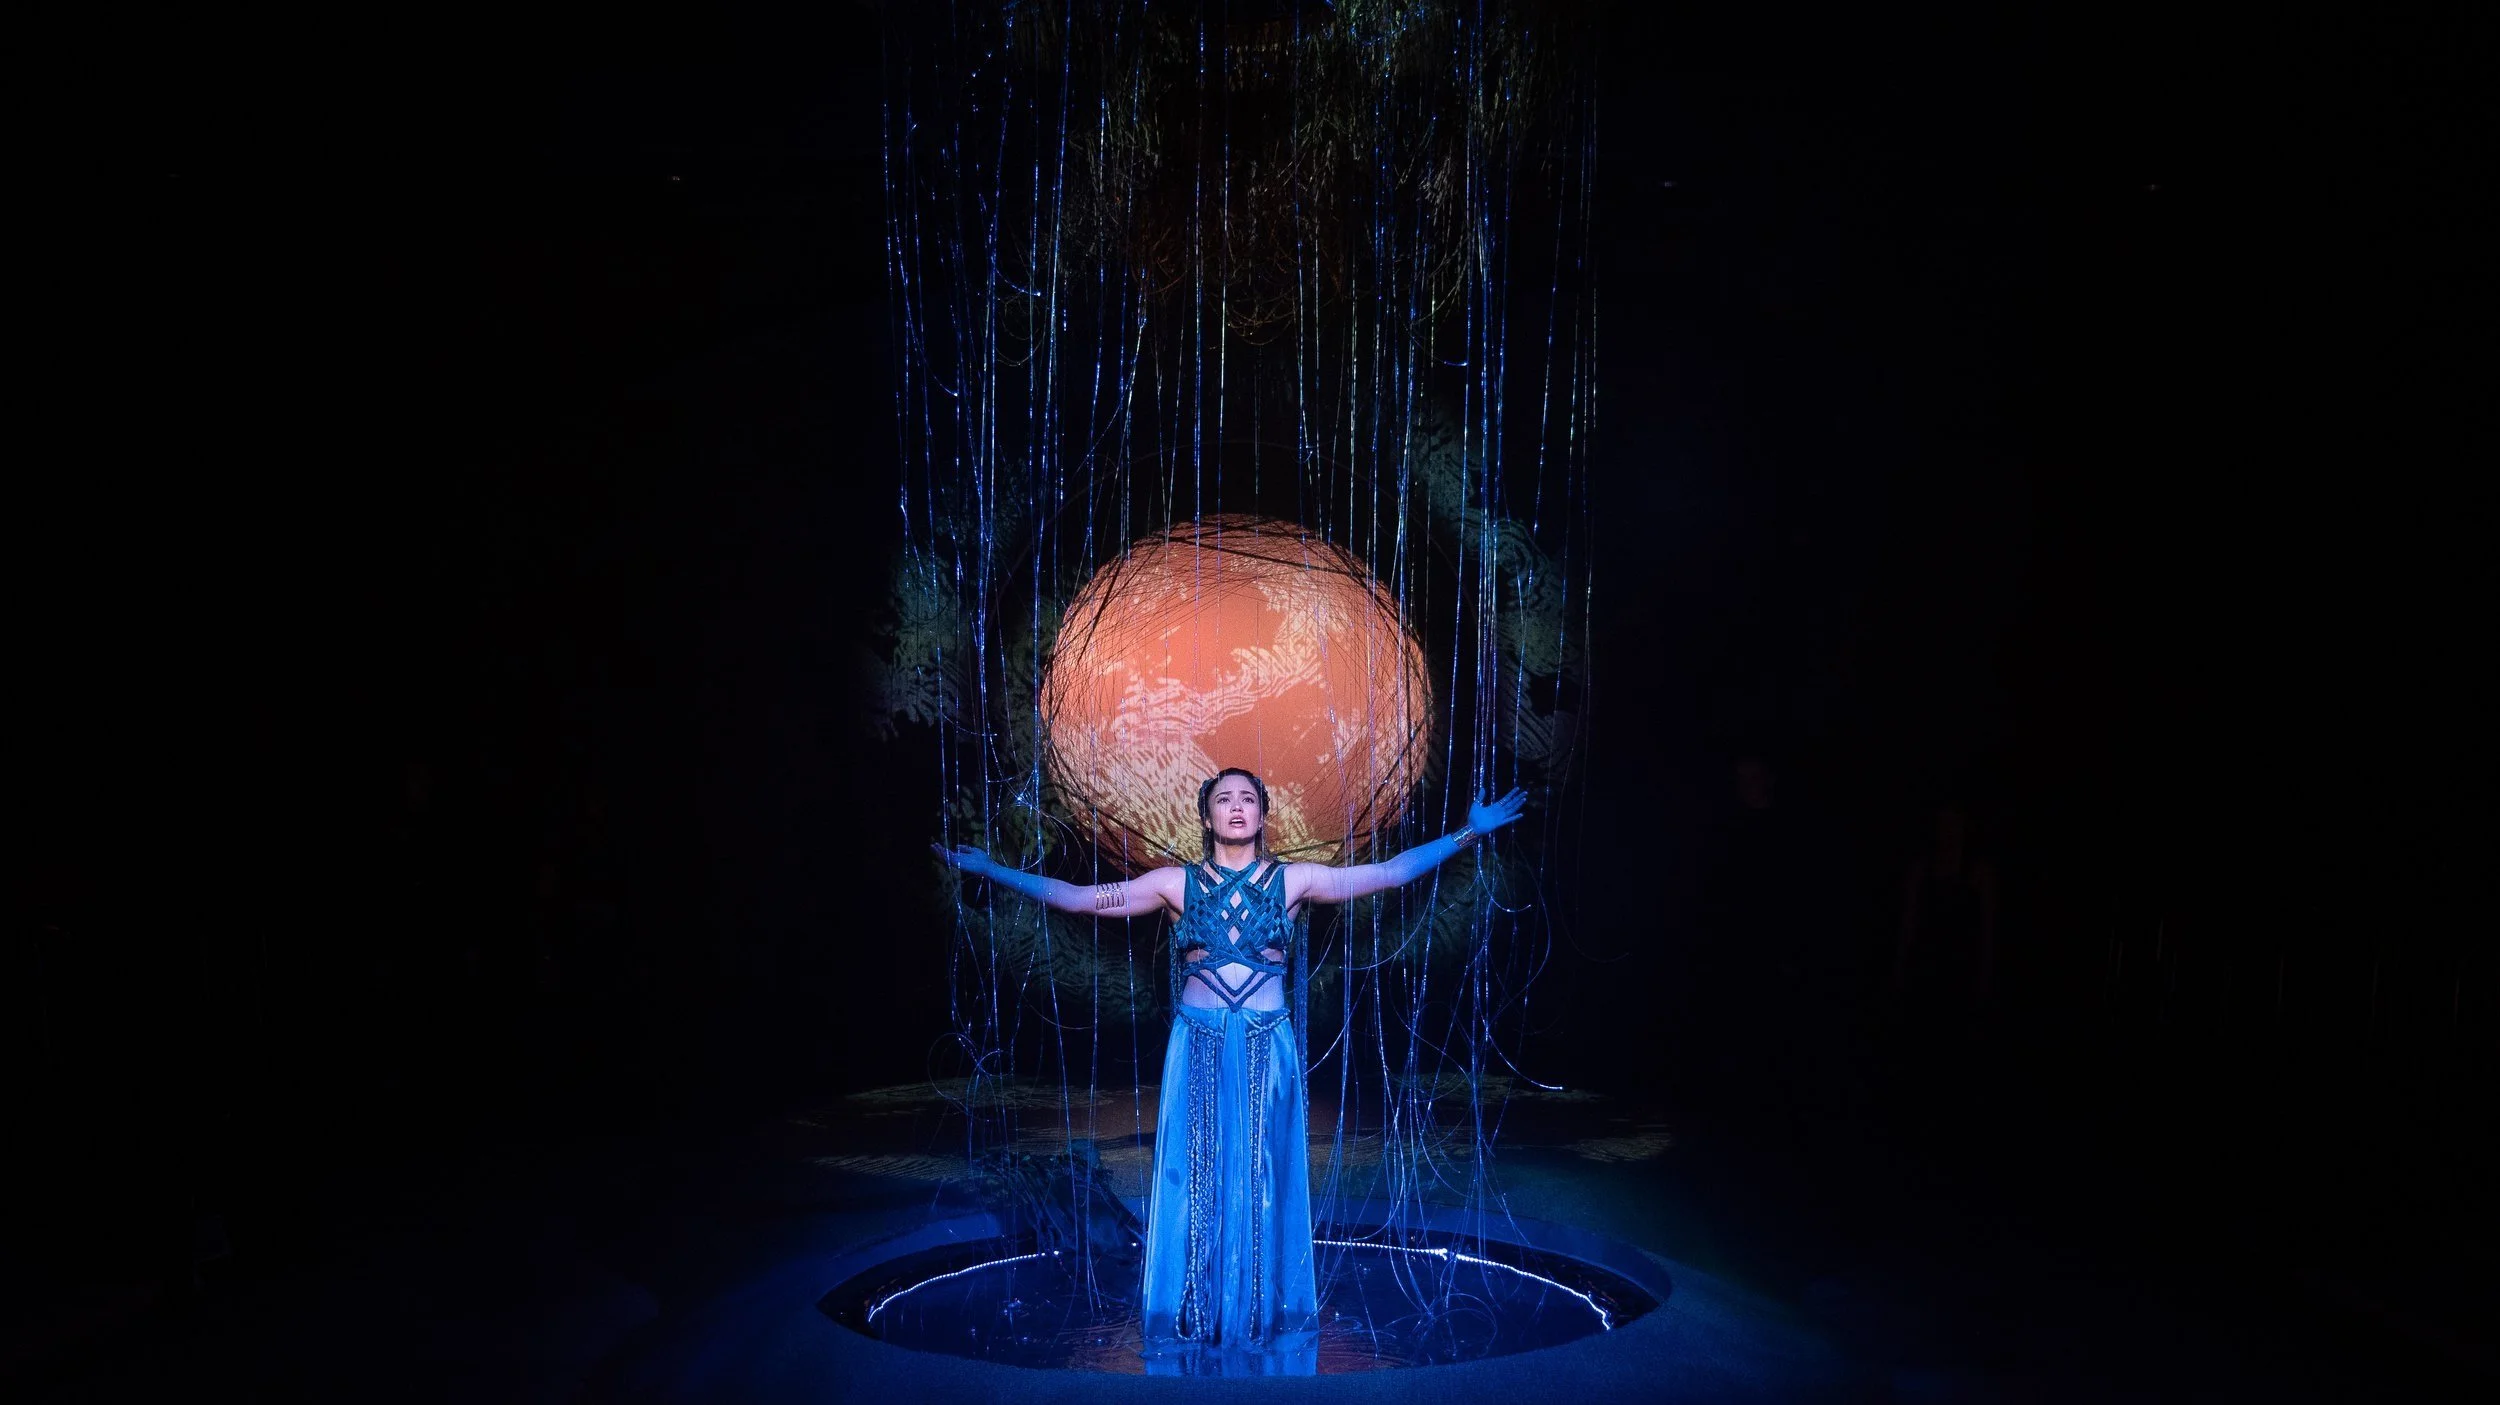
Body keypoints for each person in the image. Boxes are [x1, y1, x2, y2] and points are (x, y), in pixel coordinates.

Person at [936, 770, 1528, 1372]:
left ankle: (1260, 1311)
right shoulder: (1174, 884)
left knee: (1263, 1178)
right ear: (1206, 816)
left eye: (1248, 799)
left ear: (1264, 815)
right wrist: (992, 870)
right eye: (1225, 799)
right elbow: (1079, 898)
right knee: (1198, 1177)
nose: (1237, 808)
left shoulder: (1295, 881)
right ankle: (1197, 1309)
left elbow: (1389, 872)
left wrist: (1467, 834)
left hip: (1269, 1048)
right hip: (1198, 1046)